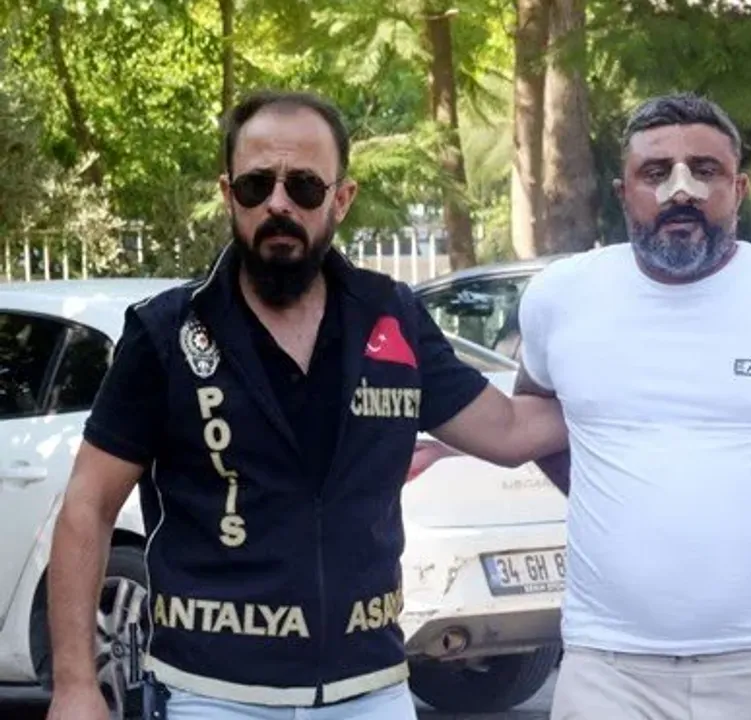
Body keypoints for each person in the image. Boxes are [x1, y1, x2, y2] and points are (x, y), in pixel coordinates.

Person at [44, 90, 568, 720]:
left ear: (341, 199)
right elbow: (88, 504)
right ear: (228, 193)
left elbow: (508, 431)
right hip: (211, 695)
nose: (278, 204)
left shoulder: (391, 317)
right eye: (256, 185)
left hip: (370, 688)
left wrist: (637, 396)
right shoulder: (166, 332)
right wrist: (75, 685)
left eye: (304, 187)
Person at [512, 92, 751, 720]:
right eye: (655, 173)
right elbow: (534, 412)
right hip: (607, 668)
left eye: (705, 170)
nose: (681, 191)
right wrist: (612, 503)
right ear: (623, 193)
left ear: (739, 189)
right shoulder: (560, 296)